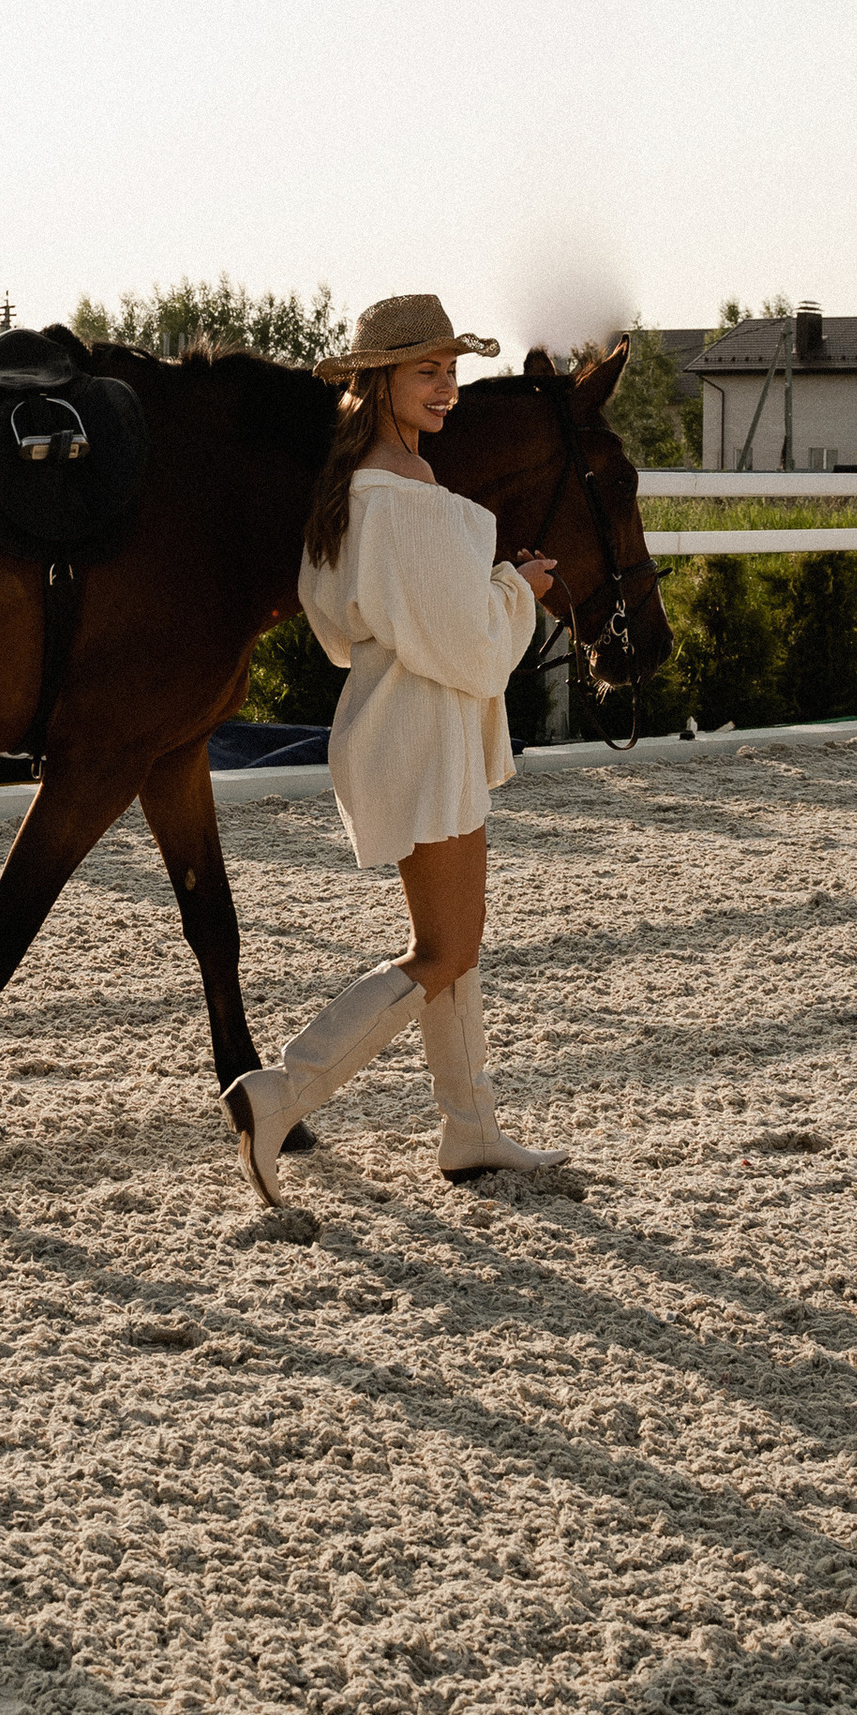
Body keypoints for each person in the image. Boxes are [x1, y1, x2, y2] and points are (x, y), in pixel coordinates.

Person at [225, 292, 568, 1204]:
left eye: (452, 370)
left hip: (403, 722)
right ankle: (282, 1093)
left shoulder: (359, 489)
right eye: (427, 371)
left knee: (451, 944)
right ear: (380, 381)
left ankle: (470, 1130)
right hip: (423, 728)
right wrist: (519, 588)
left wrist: (481, 592)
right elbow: (474, 648)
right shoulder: (402, 497)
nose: (447, 388)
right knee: (446, 949)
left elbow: (346, 627)